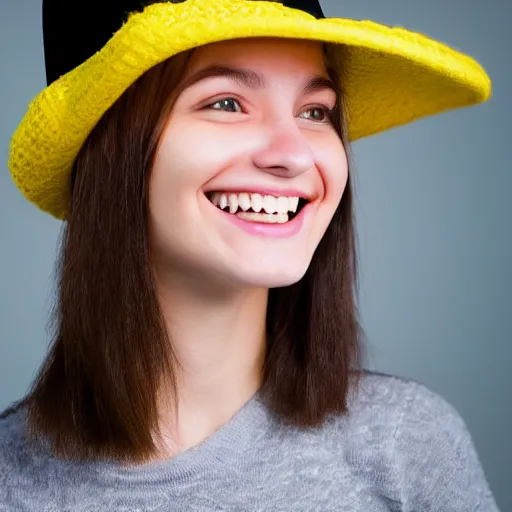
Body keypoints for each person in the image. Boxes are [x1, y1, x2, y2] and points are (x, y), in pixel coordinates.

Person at [0, 0, 499, 510]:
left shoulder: (408, 445)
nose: (294, 154)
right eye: (225, 103)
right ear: (108, 148)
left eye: (315, 112)